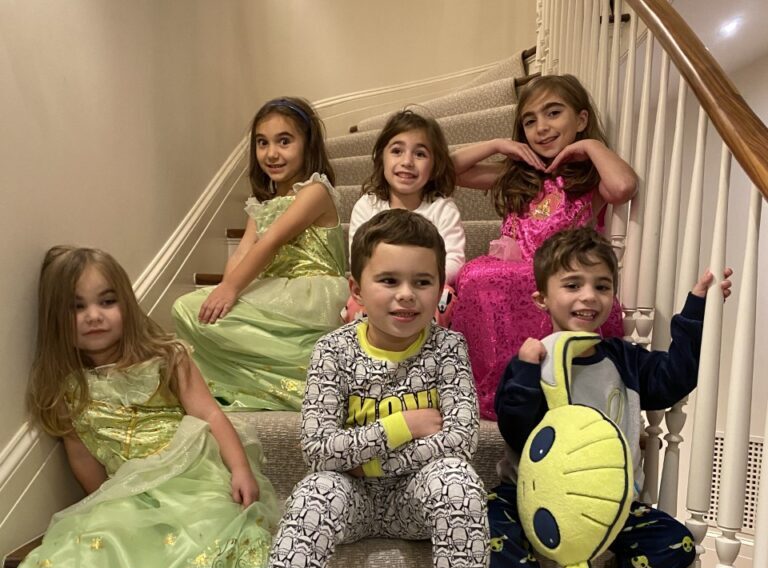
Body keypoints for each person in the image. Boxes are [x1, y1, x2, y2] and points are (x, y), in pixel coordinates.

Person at [180, 210, 508, 568]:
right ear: (356, 288)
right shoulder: (334, 351)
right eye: (389, 281)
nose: (406, 296)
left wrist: (369, 458)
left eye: (422, 282)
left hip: (414, 501)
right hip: (348, 502)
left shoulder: (447, 350)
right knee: (312, 495)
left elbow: (460, 440)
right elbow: (316, 450)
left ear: (440, 289)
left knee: (460, 486)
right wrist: (402, 425)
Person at [0, 246, 280, 568]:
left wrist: (240, 470)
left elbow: (211, 413)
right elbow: (83, 456)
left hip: (192, 471)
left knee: (219, 538)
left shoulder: (164, 356)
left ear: (126, 304)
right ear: (55, 318)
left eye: (106, 301)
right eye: (77, 306)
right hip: (129, 489)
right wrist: (99, 506)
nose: (94, 316)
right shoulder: (65, 386)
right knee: (68, 554)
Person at [488, 227, 732, 568]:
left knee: (677, 543)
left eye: (602, 286)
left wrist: (696, 309)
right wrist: (524, 372)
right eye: (573, 284)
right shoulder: (534, 358)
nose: (589, 296)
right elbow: (517, 429)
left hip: (611, 510)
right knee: (487, 519)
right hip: (534, 502)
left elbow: (676, 378)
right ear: (542, 297)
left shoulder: (625, 359)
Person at [450, 74, 637, 419]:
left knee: (552, 284)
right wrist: (497, 145)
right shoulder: (518, 175)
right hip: (511, 273)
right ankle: (491, 389)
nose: (542, 128)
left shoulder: (588, 178)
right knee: (476, 276)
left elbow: (624, 186)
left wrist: (590, 147)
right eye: (530, 121)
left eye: (554, 114)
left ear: (580, 120)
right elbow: (446, 172)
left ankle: (551, 379)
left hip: (561, 276)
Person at [172, 97, 347, 411]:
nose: (272, 153)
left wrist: (232, 288)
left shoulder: (315, 191)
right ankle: (248, 379)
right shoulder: (261, 202)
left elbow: (271, 243)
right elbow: (243, 250)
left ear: (308, 145)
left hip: (312, 294)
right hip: (274, 291)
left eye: (284, 141)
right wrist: (224, 297)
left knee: (188, 309)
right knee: (187, 310)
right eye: (262, 143)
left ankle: (305, 374)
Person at [345, 109, 464, 326]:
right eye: (397, 151)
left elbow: (455, 259)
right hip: (381, 285)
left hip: (425, 286)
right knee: (355, 305)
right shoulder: (367, 205)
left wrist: (421, 279)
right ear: (381, 156)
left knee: (445, 298)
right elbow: (357, 258)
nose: (407, 161)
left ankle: (428, 355)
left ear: (435, 164)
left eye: (420, 154)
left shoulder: (442, 208)